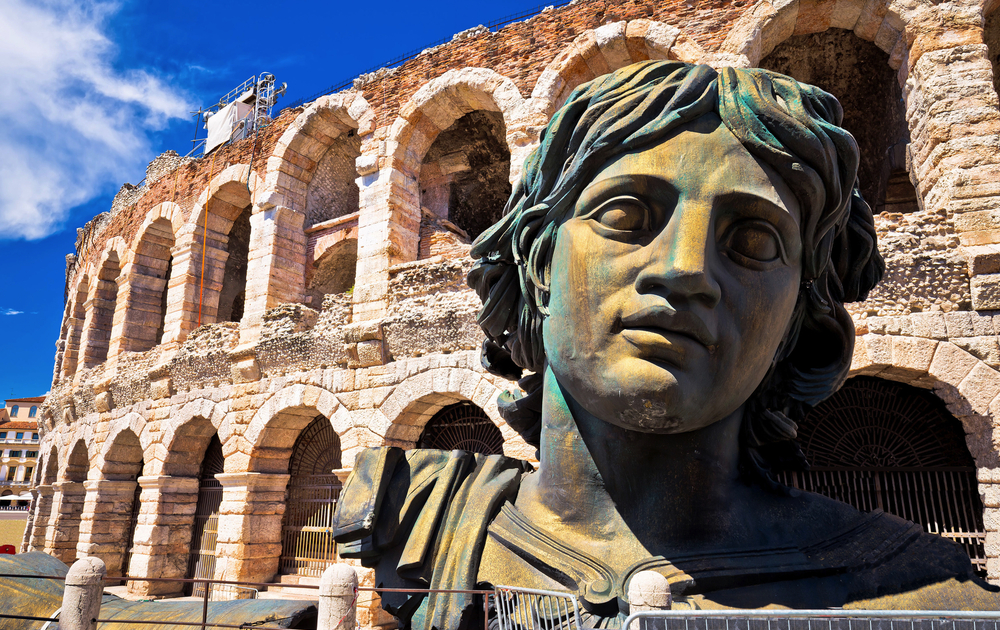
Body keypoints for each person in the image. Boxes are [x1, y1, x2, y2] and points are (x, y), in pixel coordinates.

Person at [332, 61, 999, 630]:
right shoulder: (408, 511)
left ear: (799, 315)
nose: (684, 269)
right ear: (538, 264)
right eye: (625, 215)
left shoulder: (925, 594)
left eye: (753, 240)